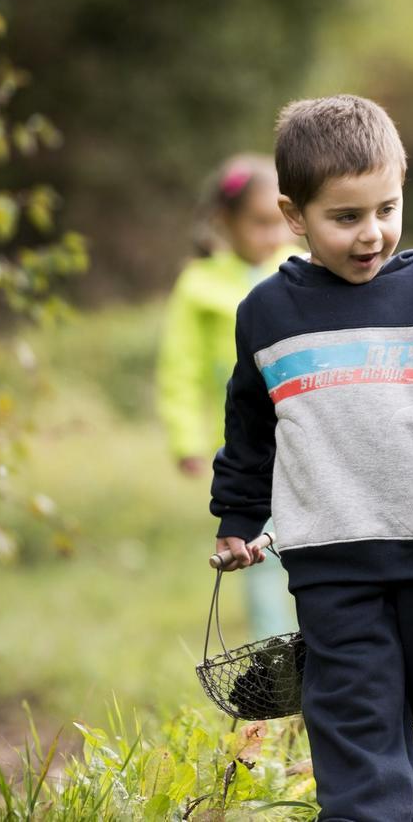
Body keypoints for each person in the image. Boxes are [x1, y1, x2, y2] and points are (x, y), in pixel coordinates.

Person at [210, 94, 413, 821]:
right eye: (346, 218)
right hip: (333, 565)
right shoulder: (265, 314)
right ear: (295, 216)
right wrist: (237, 516)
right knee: (356, 745)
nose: (371, 234)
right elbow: (251, 427)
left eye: (387, 209)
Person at [155, 154, 299, 639]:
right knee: (256, 547)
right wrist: (185, 440)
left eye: (278, 222)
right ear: (225, 222)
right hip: (247, 441)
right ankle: (278, 657)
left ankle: (323, 647)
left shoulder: (297, 269)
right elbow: (181, 368)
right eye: (258, 224)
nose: (271, 235)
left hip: (304, 429)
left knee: (307, 542)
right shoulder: (199, 286)